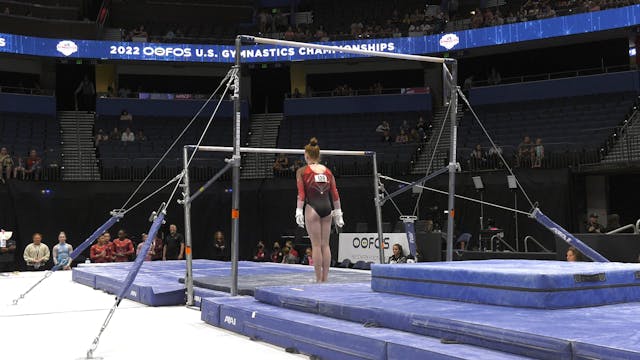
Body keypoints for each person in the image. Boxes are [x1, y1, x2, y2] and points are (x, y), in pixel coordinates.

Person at [295, 137, 344, 282]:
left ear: (306, 156)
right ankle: (325, 278)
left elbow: (301, 194)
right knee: (325, 245)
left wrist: (298, 211)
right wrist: (339, 213)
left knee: (315, 245)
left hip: (312, 209)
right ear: (319, 155)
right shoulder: (328, 171)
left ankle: (318, 279)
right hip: (327, 208)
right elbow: (335, 194)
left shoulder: (302, 171)